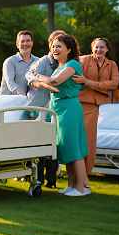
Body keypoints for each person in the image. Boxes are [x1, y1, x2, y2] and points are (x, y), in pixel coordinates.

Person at [33, 35, 90, 196]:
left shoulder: (72, 64)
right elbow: (51, 85)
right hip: (58, 110)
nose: (54, 49)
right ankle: (72, 186)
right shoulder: (60, 66)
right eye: (53, 46)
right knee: (65, 148)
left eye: (59, 46)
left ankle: (81, 188)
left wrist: (37, 76)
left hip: (69, 109)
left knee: (73, 148)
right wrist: (42, 81)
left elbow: (55, 82)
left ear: (69, 49)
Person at [26, 29, 67, 188]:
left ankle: (51, 180)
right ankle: (38, 179)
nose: (57, 47)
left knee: (54, 145)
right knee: (39, 145)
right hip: (39, 107)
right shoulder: (44, 61)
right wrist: (42, 83)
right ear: (51, 44)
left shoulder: (66, 62)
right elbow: (30, 75)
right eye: (55, 43)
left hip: (57, 110)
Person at [75, 37, 119, 174]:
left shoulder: (111, 64)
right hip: (82, 103)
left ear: (107, 49)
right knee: (83, 139)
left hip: (99, 105)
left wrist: (89, 82)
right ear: (92, 48)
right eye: (96, 47)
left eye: (102, 47)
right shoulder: (82, 60)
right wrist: (100, 86)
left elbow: (114, 84)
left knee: (89, 140)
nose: (98, 49)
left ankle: (84, 173)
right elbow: (76, 80)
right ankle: (80, 172)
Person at [0, 31, 36, 96]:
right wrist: (24, 97)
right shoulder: (9, 62)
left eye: (28, 41)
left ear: (32, 43)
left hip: (29, 103)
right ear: (17, 45)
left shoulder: (38, 61)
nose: (25, 43)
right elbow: (11, 84)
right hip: (8, 103)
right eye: (22, 41)